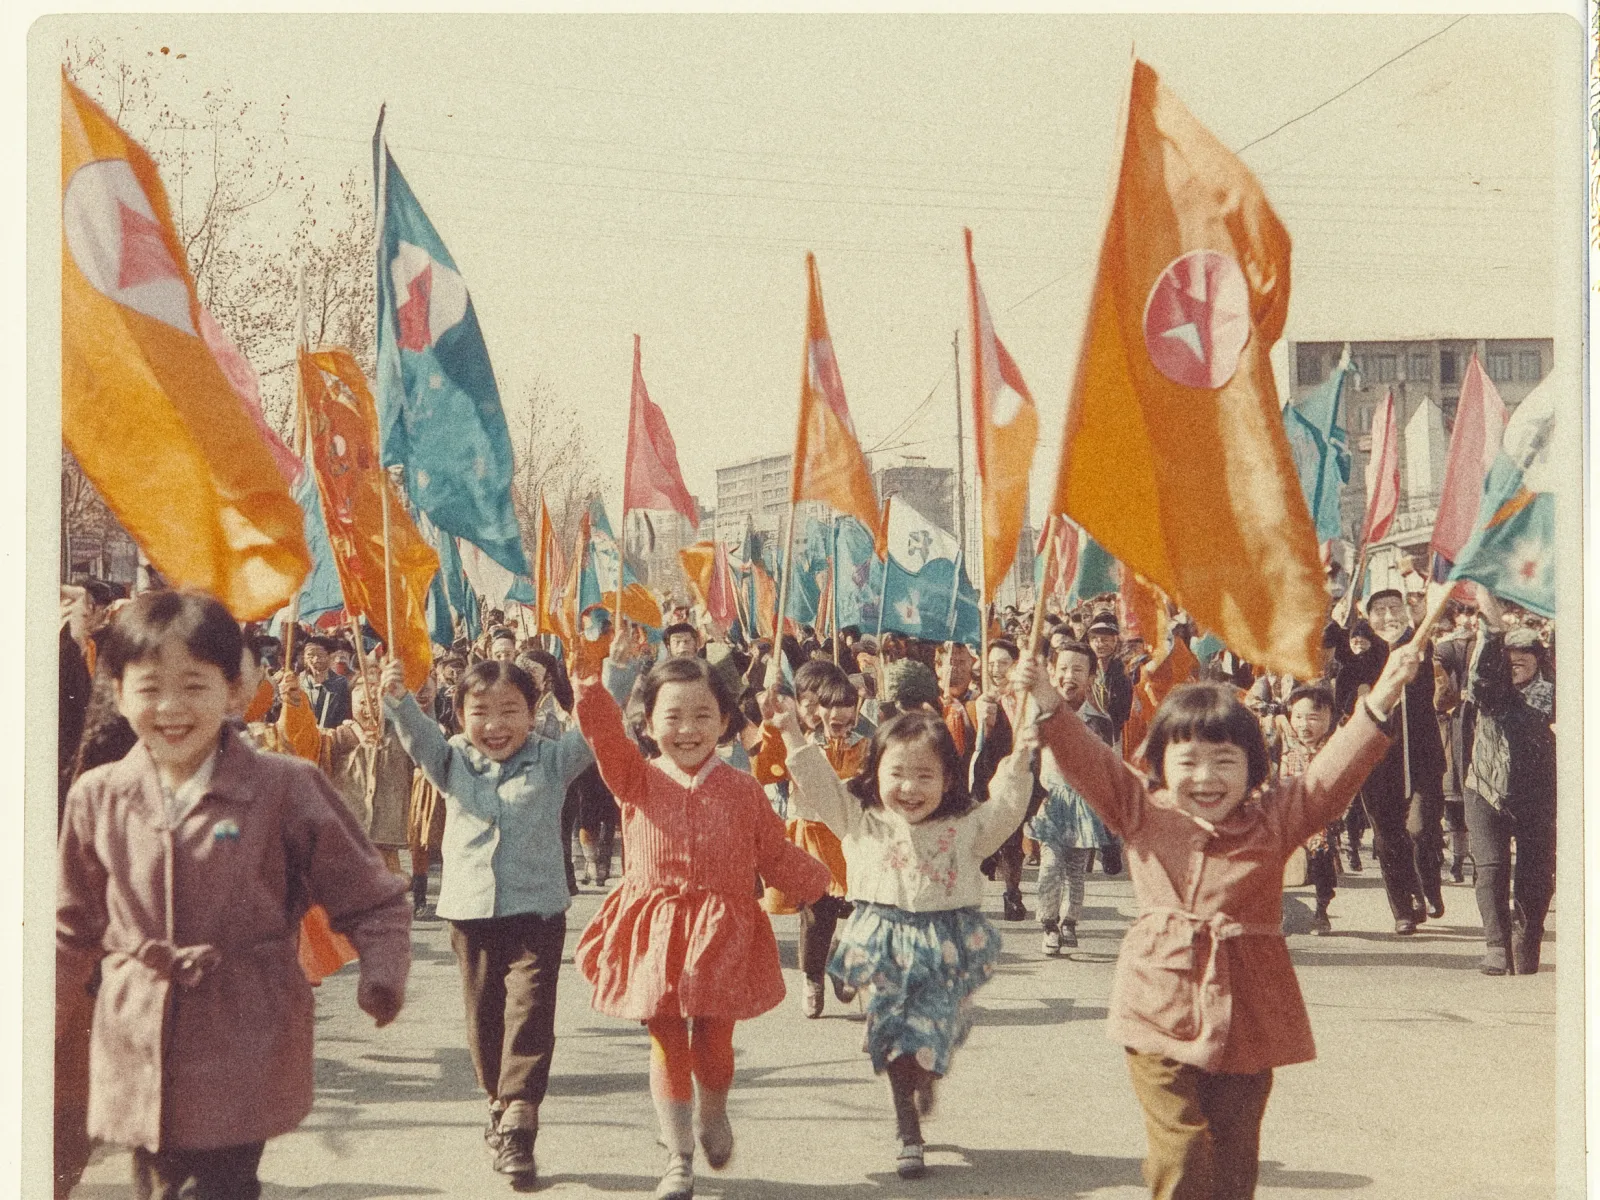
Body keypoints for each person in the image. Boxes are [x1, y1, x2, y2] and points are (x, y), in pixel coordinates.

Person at [1015, 640, 1420, 1200]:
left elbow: (1328, 780)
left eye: (1225, 760)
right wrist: (1047, 701)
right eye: (1188, 762)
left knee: (1233, 1162)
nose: (1206, 777)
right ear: (1159, 766)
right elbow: (1092, 762)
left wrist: (1383, 694)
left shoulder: (1274, 818)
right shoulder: (1141, 809)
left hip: (1249, 1011)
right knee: (1180, 1151)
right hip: (1158, 1005)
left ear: (1254, 766)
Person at [57, 590, 409, 1200]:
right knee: (159, 1184)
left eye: (194, 686)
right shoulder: (98, 794)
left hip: (243, 1031)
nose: (171, 708)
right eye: (149, 687)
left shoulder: (283, 787)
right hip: (134, 1035)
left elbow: (371, 897)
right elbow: (70, 925)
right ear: (117, 690)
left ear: (233, 689)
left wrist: (382, 971)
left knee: (206, 1187)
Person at [570, 655, 831, 1200]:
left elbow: (774, 852)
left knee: (714, 1041)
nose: (687, 729)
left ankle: (713, 1112)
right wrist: (593, 689)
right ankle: (678, 1156)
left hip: (722, 931)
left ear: (725, 721)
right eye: (673, 716)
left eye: (702, 715)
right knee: (666, 1040)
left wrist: (821, 883)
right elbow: (604, 739)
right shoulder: (634, 779)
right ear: (647, 724)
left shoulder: (742, 789)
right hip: (656, 932)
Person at [770, 698, 1035, 1181]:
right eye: (897, 774)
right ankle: (907, 1129)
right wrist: (790, 731)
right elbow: (821, 784)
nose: (909, 788)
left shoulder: (966, 826)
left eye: (924, 776)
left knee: (936, 1040)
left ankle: (927, 1073)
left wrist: (1021, 756)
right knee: (892, 1035)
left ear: (948, 780)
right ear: (875, 774)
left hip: (946, 937)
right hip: (881, 935)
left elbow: (1007, 809)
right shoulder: (859, 818)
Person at [381, 655, 597, 1185]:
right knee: (484, 1018)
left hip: (537, 911)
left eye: (510, 711)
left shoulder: (551, 760)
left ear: (533, 712)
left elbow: (592, 735)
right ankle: (498, 1099)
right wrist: (398, 698)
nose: (495, 725)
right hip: (470, 910)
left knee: (530, 1007)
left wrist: (607, 679)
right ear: (459, 714)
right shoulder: (451, 759)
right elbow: (417, 737)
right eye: (480, 712)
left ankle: (521, 1114)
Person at [754, 661, 865, 1018]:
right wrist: (772, 728)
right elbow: (765, 771)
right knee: (818, 917)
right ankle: (812, 979)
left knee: (861, 911)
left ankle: (842, 962)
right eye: (825, 707)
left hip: (851, 839)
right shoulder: (800, 739)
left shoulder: (866, 741)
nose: (837, 719)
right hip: (814, 839)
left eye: (844, 712)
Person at [1463, 588, 1556, 976]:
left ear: (1539, 659)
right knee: (1491, 868)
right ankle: (1496, 946)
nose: (1516, 661)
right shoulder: (1491, 692)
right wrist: (1492, 632)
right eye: (1510, 656)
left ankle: (1527, 938)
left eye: (1525, 655)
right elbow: (1483, 674)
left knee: (1536, 872)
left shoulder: (1560, 696)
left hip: (1538, 796)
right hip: (1485, 788)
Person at [1353, 588, 1448, 934]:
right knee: (1388, 836)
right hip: (1377, 760)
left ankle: (1428, 883)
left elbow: (1421, 641)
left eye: (1395, 608)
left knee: (1421, 828)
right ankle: (1403, 910)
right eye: (1380, 610)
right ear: (1368, 617)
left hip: (1421, 757)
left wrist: (1420, 621)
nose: (1388, 615)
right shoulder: (1360, 655)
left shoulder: (1415, 648)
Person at [1032, 642, 1115, 954]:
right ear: (1053, 673)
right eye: (1063, 668)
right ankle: (1048, 924)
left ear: (1091, 676)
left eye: (1079, 669)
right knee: (1049, 866)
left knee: (1076, 871)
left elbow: (1109, 768)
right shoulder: (1040, 715)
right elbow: (1027, 760)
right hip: (1051, 802)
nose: (1070, 676)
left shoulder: (1100, 721)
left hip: (1084, 807)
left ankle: (1070, 921)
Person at [972, 639, 1030, 920]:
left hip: (1014, 772)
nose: (996, 669)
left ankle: (1012, 894)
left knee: (1012, 838)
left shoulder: (1023, 699)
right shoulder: (978, 699)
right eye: (991, 663)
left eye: (1003, 663)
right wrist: (982, 719)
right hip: (983, 775)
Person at [1279, 684, 1340, 936]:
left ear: (1328, 720)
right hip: (1289, 813)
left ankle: (1321, 909)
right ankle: (1279, 914)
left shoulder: (1335, 747)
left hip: (1321, 817)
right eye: (1299, 717)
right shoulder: (1284, 744)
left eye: (1313, 718)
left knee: (1320, 857)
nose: (1305, 725)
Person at [298, 635, 352, 729]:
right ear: (304, 659)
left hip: (331, 737)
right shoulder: (299, 682)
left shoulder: (340, 684)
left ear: (329, 656)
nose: (315, 660)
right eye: (310, 655)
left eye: (320, 655)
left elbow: (345, 715)